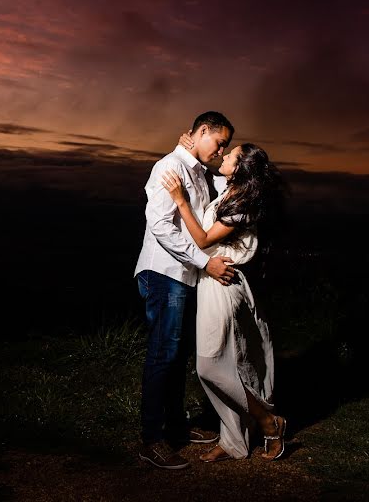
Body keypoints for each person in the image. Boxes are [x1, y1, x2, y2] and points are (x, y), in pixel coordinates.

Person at [160, 138, 288, 462]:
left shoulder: (243, 204)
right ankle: (233, 441)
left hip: (222, 283)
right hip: (211, 280)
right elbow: (202, 168)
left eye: (231, 155)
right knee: (230, 363)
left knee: (210, 367)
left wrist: (180, 201)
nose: (224, 155)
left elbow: (202, 240)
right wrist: (185, 147)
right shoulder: (231, 190)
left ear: (241, 167)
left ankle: (268, 420)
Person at [134, 111, 237, 470]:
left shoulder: (195, 169)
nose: (222, 152)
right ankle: (152, 439)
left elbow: (218, 194)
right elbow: (161, 225)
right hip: (164, 272)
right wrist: (204, 261)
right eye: (219, 142)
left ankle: (177, 426)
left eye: (226, 147)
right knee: (164, 353)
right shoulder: (169, 165)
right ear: (203, 131)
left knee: (177, 354)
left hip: (183, 274)